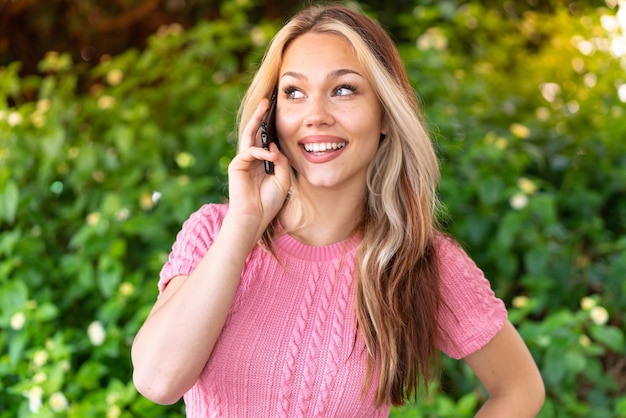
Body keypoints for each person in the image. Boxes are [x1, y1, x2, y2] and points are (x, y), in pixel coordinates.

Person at [131, 3, 545, 417]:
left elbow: (519, 388)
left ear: (385, 112)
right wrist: (244, 224)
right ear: (270, 117)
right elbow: (157, 381)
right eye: (294, 92)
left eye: (344, 89)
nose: (315, 116)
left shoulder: (418, 258)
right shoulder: (214, 232)